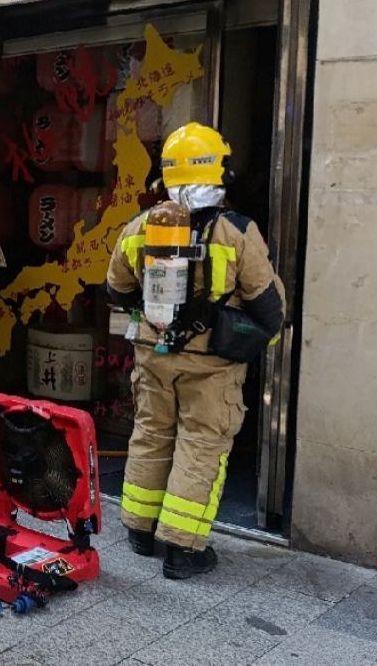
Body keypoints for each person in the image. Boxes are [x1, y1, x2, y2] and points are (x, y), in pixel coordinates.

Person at [106, 123, 284, 579]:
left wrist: (154, 314)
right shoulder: (237, 232)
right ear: (219, 172)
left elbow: (116, 289)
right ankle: (183, 549)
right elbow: (269, 306)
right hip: (211, 363)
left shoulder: (140, 227)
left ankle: (140, 530)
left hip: (152, 351)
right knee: (202, 443)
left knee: (150, 434)